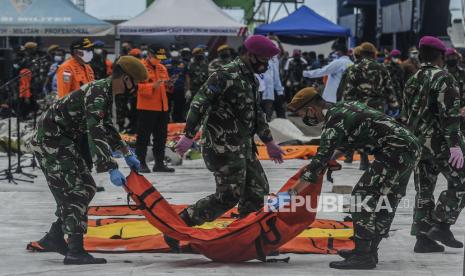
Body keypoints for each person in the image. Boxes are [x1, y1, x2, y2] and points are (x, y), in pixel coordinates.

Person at [273, 88, 420, 269]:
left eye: (302, 112)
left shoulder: (334, 121)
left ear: (311, 109)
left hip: (395, 151)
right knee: (386, 199)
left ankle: (363, 255)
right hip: (408, 147)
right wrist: (331, 159)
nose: (304, 117)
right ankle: (369, 250)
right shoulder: (343, 108)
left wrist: (290, 194)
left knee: (362, 197)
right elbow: (347, 142)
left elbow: (318, 162)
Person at [166, 35, 285, 252]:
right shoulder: (224, 75)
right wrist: (188, 135)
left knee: (258, 190)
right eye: (263, 59)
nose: (266, 64)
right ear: (250, 55)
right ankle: (179, 225)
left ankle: (245, 234)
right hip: (222, 147)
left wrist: (269, 142)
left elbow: (257, 113)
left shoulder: (251, 78)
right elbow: (199, 103)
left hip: (244, 147)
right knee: (229, 195)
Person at [30, 56, 147, 265]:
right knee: (77, 192)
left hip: (63, 141)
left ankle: (54, 236)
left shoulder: (104, 91)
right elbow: (96, 131)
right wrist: (110, 166)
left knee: (87, 187)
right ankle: (75, 251)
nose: (135, 88)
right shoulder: (99, 92)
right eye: (135, 83)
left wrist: (126, 152)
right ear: (127, 79)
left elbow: (106, 126)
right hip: (51, 141)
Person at [402, 36, 465, 253]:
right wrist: (455, 145)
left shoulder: (413, 79)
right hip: (441, 144)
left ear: (420, 55)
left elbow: (406, 115)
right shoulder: (444, 78)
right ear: (440, 56)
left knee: (424, 191)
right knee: (461, 182)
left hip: (418, 144)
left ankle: (423, 239)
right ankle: (441, 225)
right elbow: (449, 117)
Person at [337, 42, 399, 170]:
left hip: (359, 106)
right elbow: (389, 89)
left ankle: (364, 160)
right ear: (373, 53)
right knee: (378, 132)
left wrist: (346, 107)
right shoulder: (382, 68)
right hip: (377, 106)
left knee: (361, 132)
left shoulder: (354, 68)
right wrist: (394, 105)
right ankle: (378, 160)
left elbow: (348, 91)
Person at [136, 45, 175, 173]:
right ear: (150, 55)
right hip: (146, 108)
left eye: (161, 58)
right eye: (157, 57)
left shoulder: (162, 67)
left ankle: (159, 163)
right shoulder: (140, 67)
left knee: (161, 137)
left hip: (163, 108)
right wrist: (153, 86)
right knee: (143, 137)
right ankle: (141, 163)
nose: (159, 60)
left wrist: (169, 85)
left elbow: (166, 89)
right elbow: (136, 87)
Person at [258, 49, 286, 122]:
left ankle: (265, 131)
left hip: (269, 94)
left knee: (267, 117)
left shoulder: (272, 62)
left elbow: (276, 78)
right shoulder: (256, 61)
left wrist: (280, 92)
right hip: (257, 93)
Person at [444, 47, 465, 136]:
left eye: (453, 56)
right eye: (449, 57)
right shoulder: (441, 73)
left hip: (462, 110)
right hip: (446, 111)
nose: (451, 59)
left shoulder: (463, 72)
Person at [164, 50, 189, 122]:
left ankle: (177, 120)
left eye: (176, 58)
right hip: (168, 88)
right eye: (173, 58)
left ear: (179, 57)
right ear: (171, 57)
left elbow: (187, 76)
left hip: (179, 88)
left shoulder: (184, 63)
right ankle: (166, 119)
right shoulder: (165, 63)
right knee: (166, 106)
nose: (175, 59)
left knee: (179, 106)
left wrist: (188, 89)